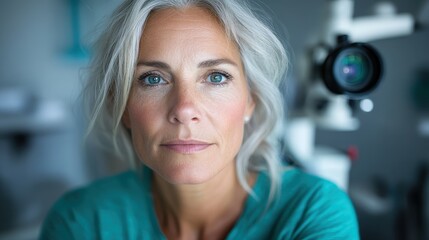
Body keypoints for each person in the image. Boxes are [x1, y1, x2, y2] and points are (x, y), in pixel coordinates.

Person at [39, 0, 360, 239]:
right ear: (122, 106)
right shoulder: (80, 222)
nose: (184, 108)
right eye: (153, 79)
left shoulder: (313, 213)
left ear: (251, 100)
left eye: (216, 77)